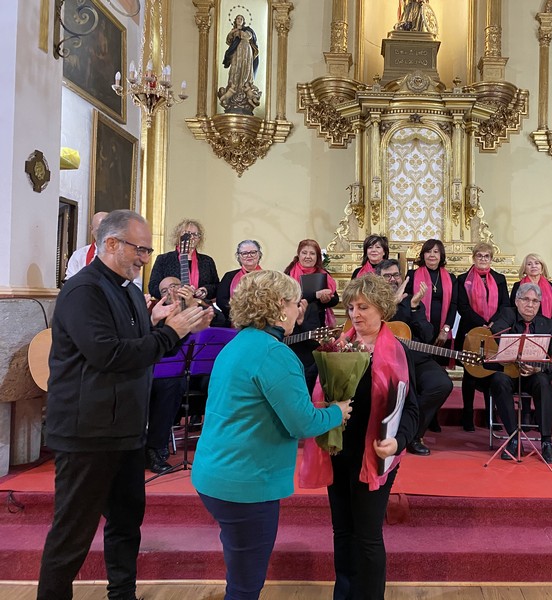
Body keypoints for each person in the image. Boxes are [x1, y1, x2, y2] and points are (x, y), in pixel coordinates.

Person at [37, 210, 212, 600]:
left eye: (148, 250)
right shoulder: (83, 291)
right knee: (72, 532)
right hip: (87, 431)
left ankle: (122, 595)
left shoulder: (130, 290)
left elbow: (144, 348)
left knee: (126, 522)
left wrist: (178, 328)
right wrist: (170, 332)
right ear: (112, 243)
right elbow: (109, 355)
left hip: (127, 429)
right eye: (140, 249)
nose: (145, 258)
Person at [192, 270, 351, 600]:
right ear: (279, 306)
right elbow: (302, 424)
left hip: (216, 473)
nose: (299, 310)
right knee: (245, 587)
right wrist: (338, 411)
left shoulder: (238, 343)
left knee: (240, 573)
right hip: (245, 483)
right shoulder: (274, 353)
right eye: (296, 303)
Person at [326, 275, 419, 599]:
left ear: (382, 309)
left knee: (366, 536)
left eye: (363, 307)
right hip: (338, 452)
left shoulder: (397, 352)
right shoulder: (338, 347)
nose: (355, 314)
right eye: (351, 307)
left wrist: (399, 442)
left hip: (377, 454)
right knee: (342, 532)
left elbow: (412, 409)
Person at [377, 259, 452, 456]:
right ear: (378, 279)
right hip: (385, 361)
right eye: (387, 276)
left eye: (396, 275)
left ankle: (412, 434)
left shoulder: (411, 300)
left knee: (442, 384)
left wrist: (414, 308)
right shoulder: (371, 301)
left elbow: (427, 335)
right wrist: (392, 304)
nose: (393, 279)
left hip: (416, 358)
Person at [488, 283, 552, 464]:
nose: (530, 305)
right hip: (509, 373)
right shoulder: (508, 314)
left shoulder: (549, 325)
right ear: (517, 301)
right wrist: (516, 352)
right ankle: (514, 438)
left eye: (535, 301)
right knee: (498, 380)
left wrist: (539, 368)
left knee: (543, 383)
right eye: (526, 299)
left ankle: (546, 441)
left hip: (533, 376)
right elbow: (496, 330)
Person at [144, 276, 208, 474]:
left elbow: (218, 324)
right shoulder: (158, 314)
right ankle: (155, 449)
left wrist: (193, 304)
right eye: (164, 291)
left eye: (174, 287)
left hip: (197, 373)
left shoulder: (198, 306)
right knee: (170, 384)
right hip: (163, 375)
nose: (170, 292)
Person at [456, 242, 510, 431]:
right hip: (471, 331)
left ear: (491, 258)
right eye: (479, 255)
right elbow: (462, 306)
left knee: (492, 372)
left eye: (487, 256)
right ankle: (467, 415)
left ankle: (490, 415)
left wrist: (493, 323)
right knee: (470, 374)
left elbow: (505, 305)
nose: (483, 259)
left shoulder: (500, 279)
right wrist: (481, 323)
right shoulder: (463, 279)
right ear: (473, 257)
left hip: (494, 332)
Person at [285, 239, 340, 391]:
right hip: (293, 328)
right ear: (298, 254)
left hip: (316, 327)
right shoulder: (289, 274)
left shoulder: (324, 274)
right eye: (304, 253)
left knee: (312, 370)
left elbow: (335, 300)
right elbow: (287, 298)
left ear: (317, 257)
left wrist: (326, 299)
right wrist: (315, 295)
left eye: (312, 253)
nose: (308, 256)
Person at [405, 238, 458, 351]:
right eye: (428, 251)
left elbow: (453, 305)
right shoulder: (412, 275)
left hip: (442, 329)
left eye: (436, 251)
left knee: (440, 360)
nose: (432, 255)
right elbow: (406, 304)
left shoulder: (451, 278)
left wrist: (445, 330)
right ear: (423, 255)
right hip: (418, 329)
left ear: (441, 255)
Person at [148, 219, 220, 302]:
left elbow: (216, 286)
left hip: (200, 305)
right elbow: (153, 287)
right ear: (178, 236)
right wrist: (175, 292)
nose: (192, 237)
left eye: (196, 234)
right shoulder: (163, 259)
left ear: (199, 239)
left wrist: (205, 290)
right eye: (187, 234)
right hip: (172, 306)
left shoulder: (207, 261)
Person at [218, 14, 261, 112]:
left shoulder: (247, 30)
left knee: (245, 68)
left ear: (243, 21)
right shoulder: (233, 31)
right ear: (235, 20)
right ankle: (234, 88)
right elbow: (229, 40)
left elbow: (249, 36)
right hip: (236, 52)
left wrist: (240, 32)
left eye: (241, 19)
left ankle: (244, 86)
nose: (239, 20)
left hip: (246, 50)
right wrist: (233, 32)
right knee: (235, 69)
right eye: (238, 18)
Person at [217, 239, 264, 326]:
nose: (249, 256)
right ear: (238, 256)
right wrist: (241, 313)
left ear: (259, 254)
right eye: (244, 253)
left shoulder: (267, 277)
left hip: (261, 321)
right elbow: (221, 301)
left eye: (253, 252)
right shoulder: (229, 276)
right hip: (234, 321)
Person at [510, 253, 552, 328]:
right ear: (524, 269)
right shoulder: (518, 286)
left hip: (548, 328)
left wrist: (551, 328)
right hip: (522, 328)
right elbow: (513, 309)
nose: (533, 266)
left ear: (542, 268)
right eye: (529, 264)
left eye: (537, 263)